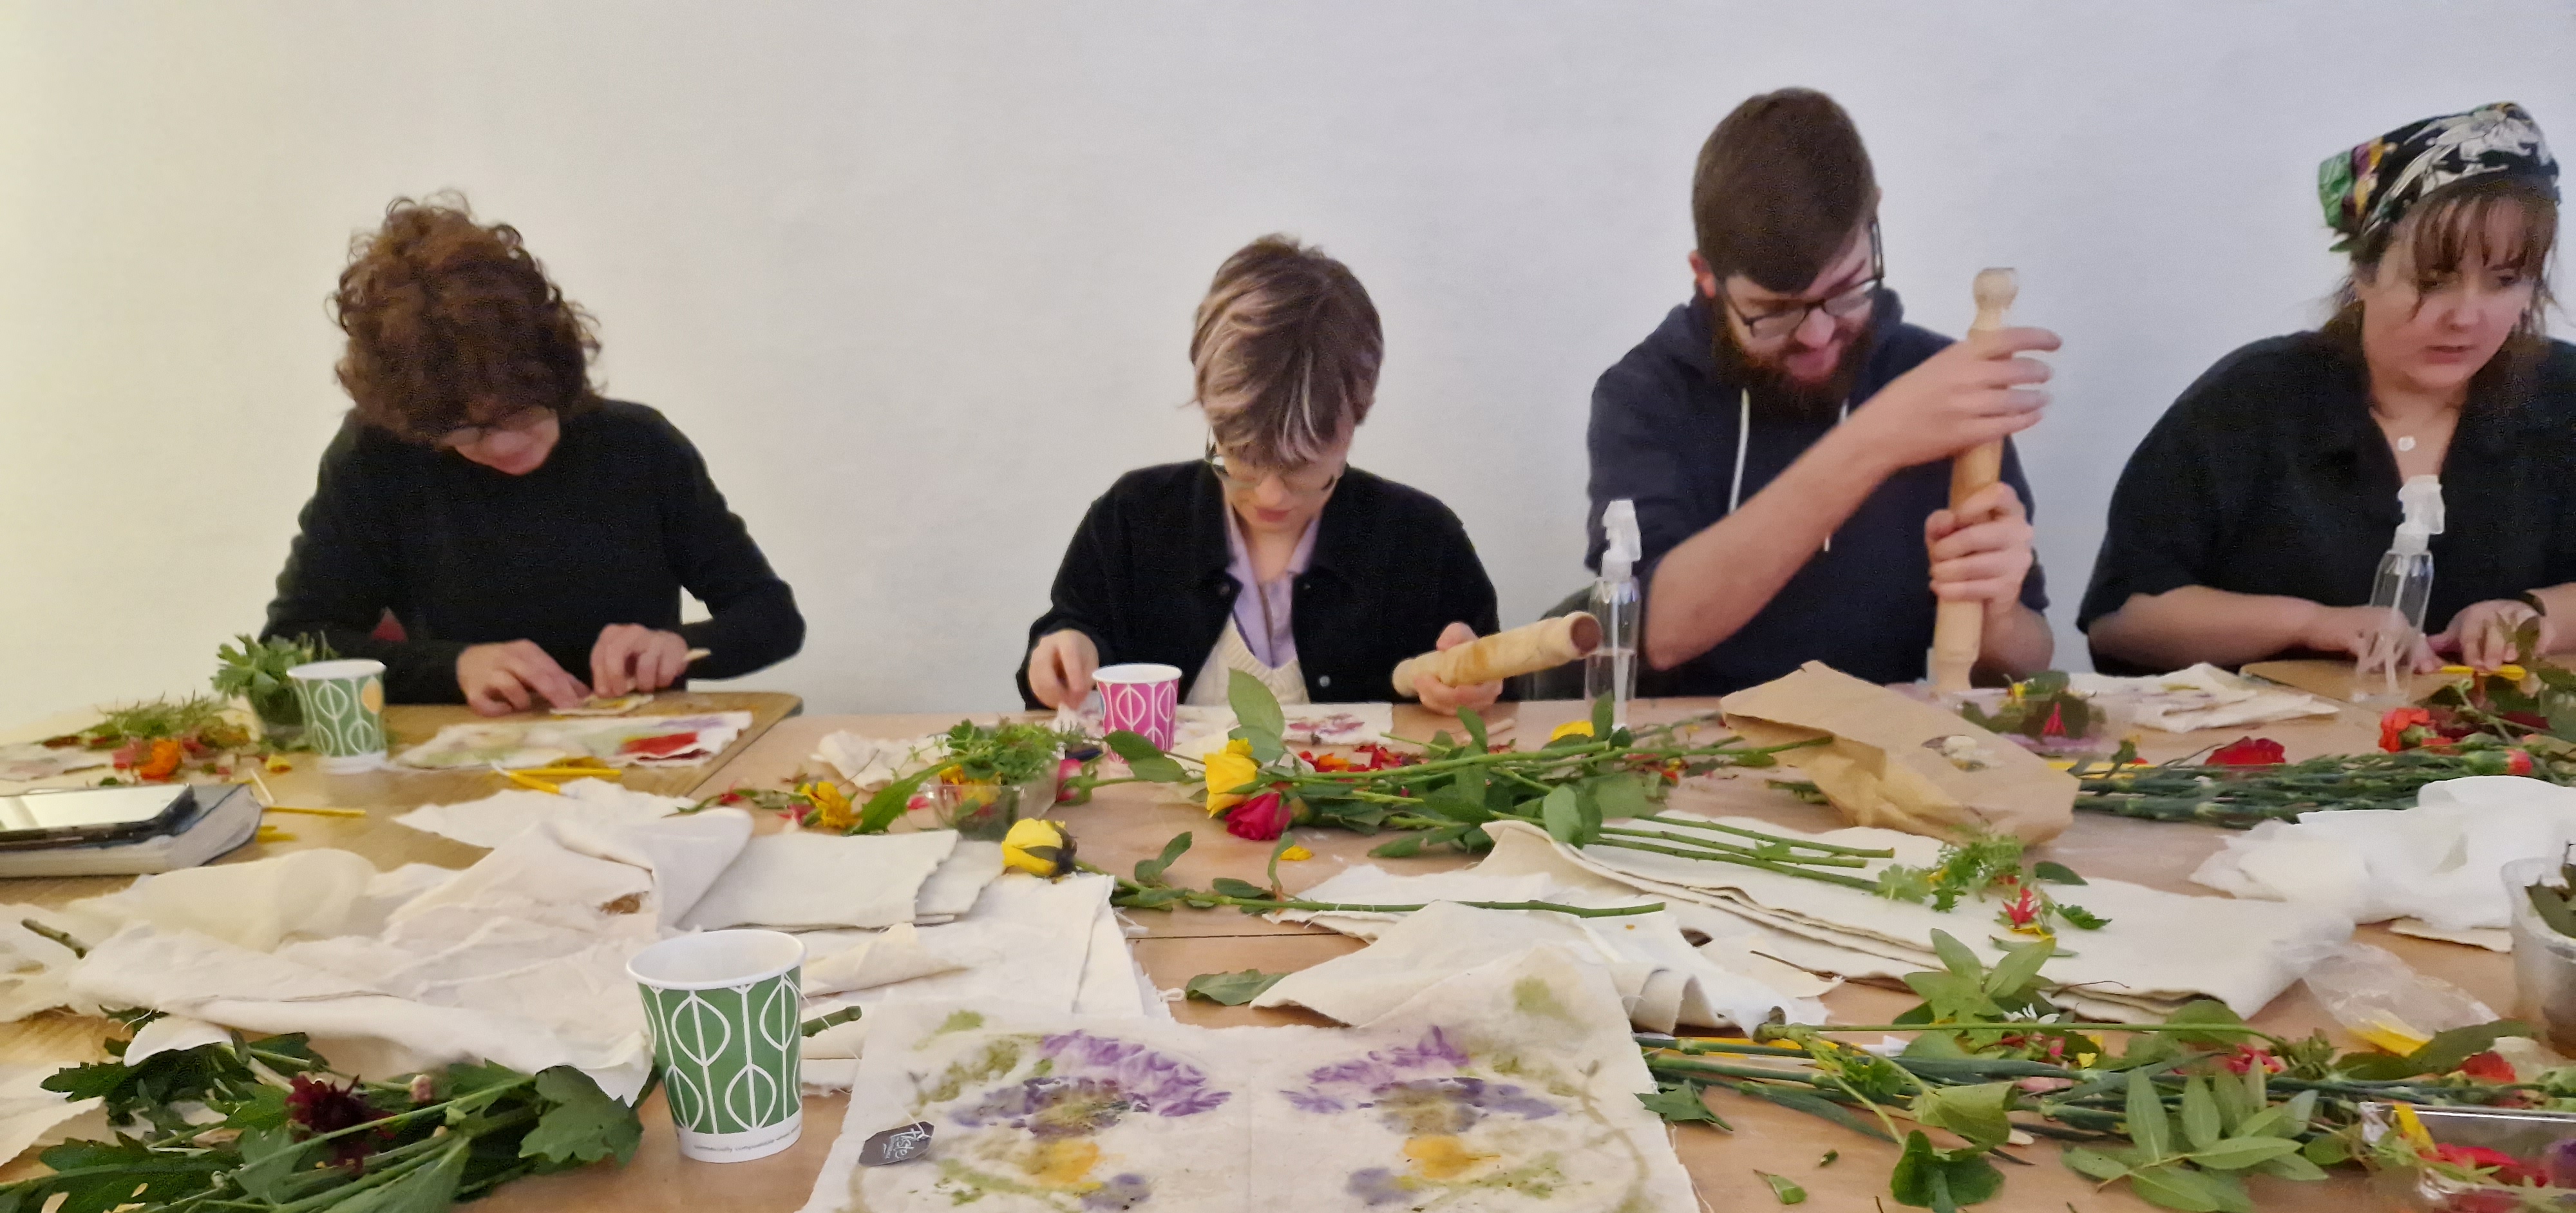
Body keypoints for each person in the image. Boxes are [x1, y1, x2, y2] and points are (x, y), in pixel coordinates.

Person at [1584, 88, 2056, 698]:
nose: (1817, 336)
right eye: (1774, 311)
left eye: (1845, 290)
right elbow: (1655, 632)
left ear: (1874, 221)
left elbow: (2024, 666)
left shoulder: (1939, 386)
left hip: (1886, 739)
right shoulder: (1645, 394)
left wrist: (1999, 608)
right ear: (1705, 276)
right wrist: (1877, 439)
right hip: (1690, 742)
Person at [2083, 102, 2573, 674]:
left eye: (2505, 281)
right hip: (2281, 731)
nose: (2466, 318)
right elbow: (2124, 620)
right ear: (2363, 272)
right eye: (2432, 281)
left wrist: (2537, 614)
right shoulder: (2254, 399)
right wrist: (2311, 625)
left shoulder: (2561, 396)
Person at [264, 196, 803, 712]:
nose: (506, 446)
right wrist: (454, 667)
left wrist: (678, 645)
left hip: (642, 744)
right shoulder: (378, 460)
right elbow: (291, 645)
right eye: (465, 432)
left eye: (523, 413)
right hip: (469, 753)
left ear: (558, 375)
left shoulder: (637, 445)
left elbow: (772, 618)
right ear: (417, 426)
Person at [1021, 236, 1501, 715]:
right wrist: (1062, 654)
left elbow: (1504, 702)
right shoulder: (1132, 520)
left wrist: (1478, 684)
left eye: (1301, 466)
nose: (1270, 495)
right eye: (1243, 458)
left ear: (1354, 421)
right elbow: (1064, 648)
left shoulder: (1423, 542)